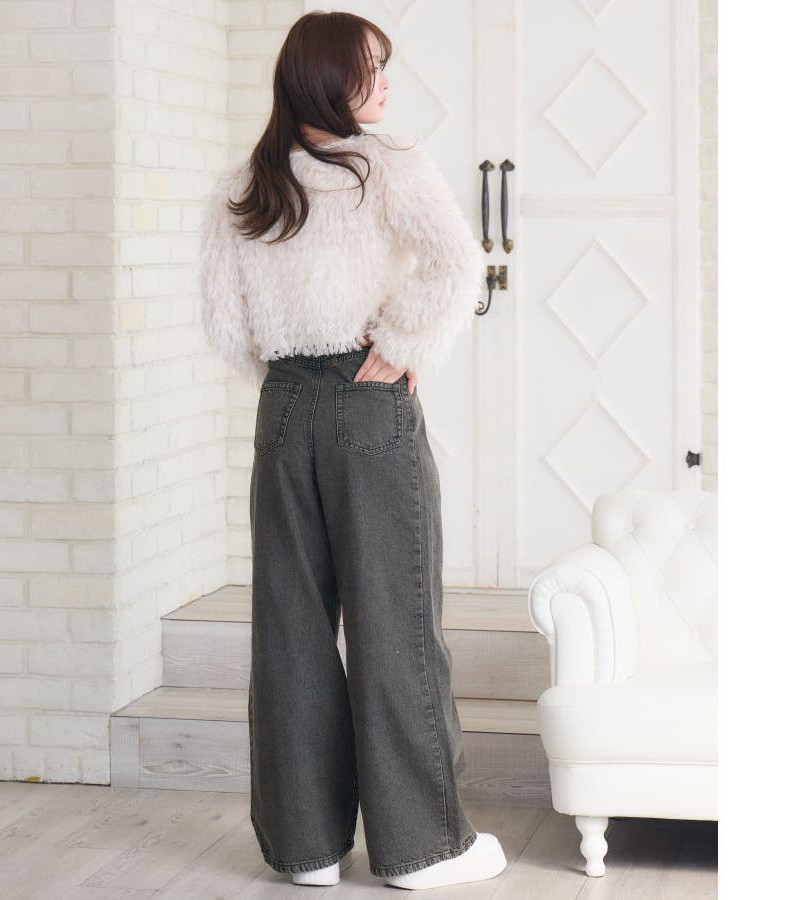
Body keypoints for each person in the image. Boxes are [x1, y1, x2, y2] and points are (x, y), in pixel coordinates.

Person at [198, 10, 508, 891]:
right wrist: (399, 346)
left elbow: (226, 328)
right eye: (371, 67)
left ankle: (306, 850)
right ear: (328, 77)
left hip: (284, 409)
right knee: (396, 622)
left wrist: (297, 377)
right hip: (367, 410)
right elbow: (460, 265)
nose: (385, 83)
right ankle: (423, 849)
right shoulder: (386, 164)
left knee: (290, 630)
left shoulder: (244, 185)